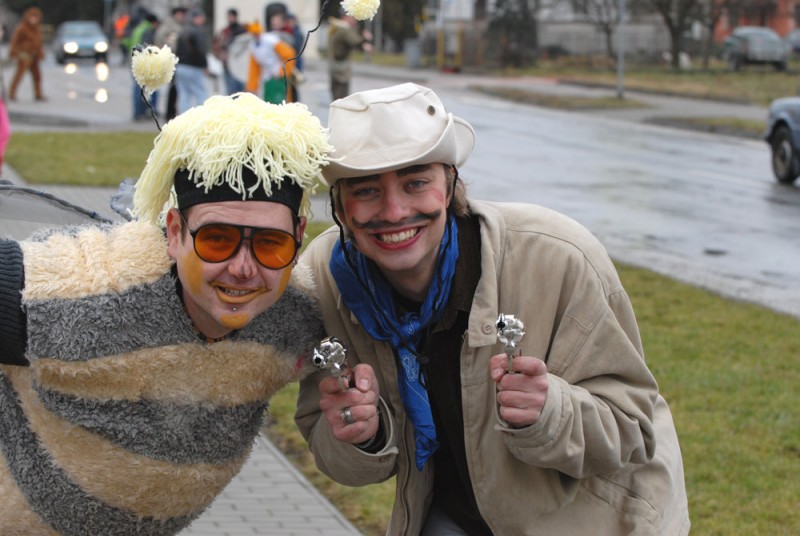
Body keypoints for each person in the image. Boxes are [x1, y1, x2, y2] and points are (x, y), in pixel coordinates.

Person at [295, 83, 691, 535]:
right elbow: (334, 451)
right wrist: (363, 434)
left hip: (597, 517)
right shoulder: (324, 280)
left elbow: (631, 428)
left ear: (450, 184)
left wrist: (549, 410)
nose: (395, 211)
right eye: (366, 190)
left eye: (416, 183)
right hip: (455, 513)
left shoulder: (558, 257)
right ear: (340, 207)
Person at [0, 92, 333, 534]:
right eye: (217, 239)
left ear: (299, 237)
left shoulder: (297, 314)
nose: (243, 268)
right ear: (175, 233)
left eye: (271, 244)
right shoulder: (92, 290)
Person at [249, 5, 297, 104]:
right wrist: (252, 87)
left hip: (279, 74)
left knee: (283, 101)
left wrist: (283, 72)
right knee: (269, 101)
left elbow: (289, 54)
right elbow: (254, 68)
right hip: (267, 77)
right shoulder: (253, 46)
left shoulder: (270, 40)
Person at [326, 10, 372, 101]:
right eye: (352, 17)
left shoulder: (336, 26)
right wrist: (365, 38)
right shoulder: (343, 29)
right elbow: (354, 41)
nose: (354, 20)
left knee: (335, 96)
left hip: (334, 65)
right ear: (345, 17)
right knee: (342, 98)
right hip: (341, 68)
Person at [154, 5, 187, 120]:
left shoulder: (182, 25)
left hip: (179, 57)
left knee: (177, 87)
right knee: (173, 87)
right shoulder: (169, 25)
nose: (182, 17)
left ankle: (172, 110)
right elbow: (160, 38)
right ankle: (170, 112)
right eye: (181, 14)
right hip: (172, 57)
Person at [174, 8, 210, 114]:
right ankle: (202, 117)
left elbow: (177, 50)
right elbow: (201, 51)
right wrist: (205, 65)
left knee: (184, 95)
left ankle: (183, 118)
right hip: (194, 67)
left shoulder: (182, 31)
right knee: (200, 93)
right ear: (196, 18)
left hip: (180, 66)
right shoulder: (198, 32)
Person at [7, 6, 45, 102]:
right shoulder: (22, 28)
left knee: (37, 76)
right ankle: (11, 93)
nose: (33, 19)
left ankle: (38, 94)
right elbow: (14, 41)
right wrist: (13, 52)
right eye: (31, 17)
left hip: (34, 55)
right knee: (19, 75)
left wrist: (40, 53)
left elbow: (39, 43)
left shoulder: (37, 29)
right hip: (24, 54)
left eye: (35, 17)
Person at [130, 13, 159, 121]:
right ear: (154, 22)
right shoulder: (148, 30)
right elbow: (148, 48)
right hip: (143, 63)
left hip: (134, 61)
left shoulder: (138, 29)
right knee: (146, 89)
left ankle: (137, 112)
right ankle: (142, 112)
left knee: (137, 88)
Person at [212, 8, 247, 95]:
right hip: (228, 66)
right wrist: (221, 56)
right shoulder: (224, 32)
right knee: (231, 92)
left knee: (242, 93)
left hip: (241, 66)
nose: (230, 18)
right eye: (228, 16)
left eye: (231, 16)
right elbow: (217, 46)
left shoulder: (243, 31)